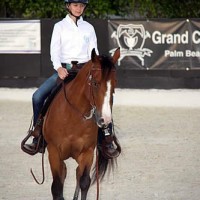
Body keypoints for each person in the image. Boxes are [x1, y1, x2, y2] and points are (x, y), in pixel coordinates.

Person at [22, 0, 119, 159]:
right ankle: (38, 135)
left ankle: (107, 139)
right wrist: (59, 68)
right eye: (75, 5)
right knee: (38, 96)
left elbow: (93, 52)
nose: (79, 8)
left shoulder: (89, 28)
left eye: (81, 6)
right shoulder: (59, 26)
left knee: (102, 96)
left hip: (85, 70)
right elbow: (54, 51)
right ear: (68, 6)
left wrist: (93, 69)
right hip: (65, 70)